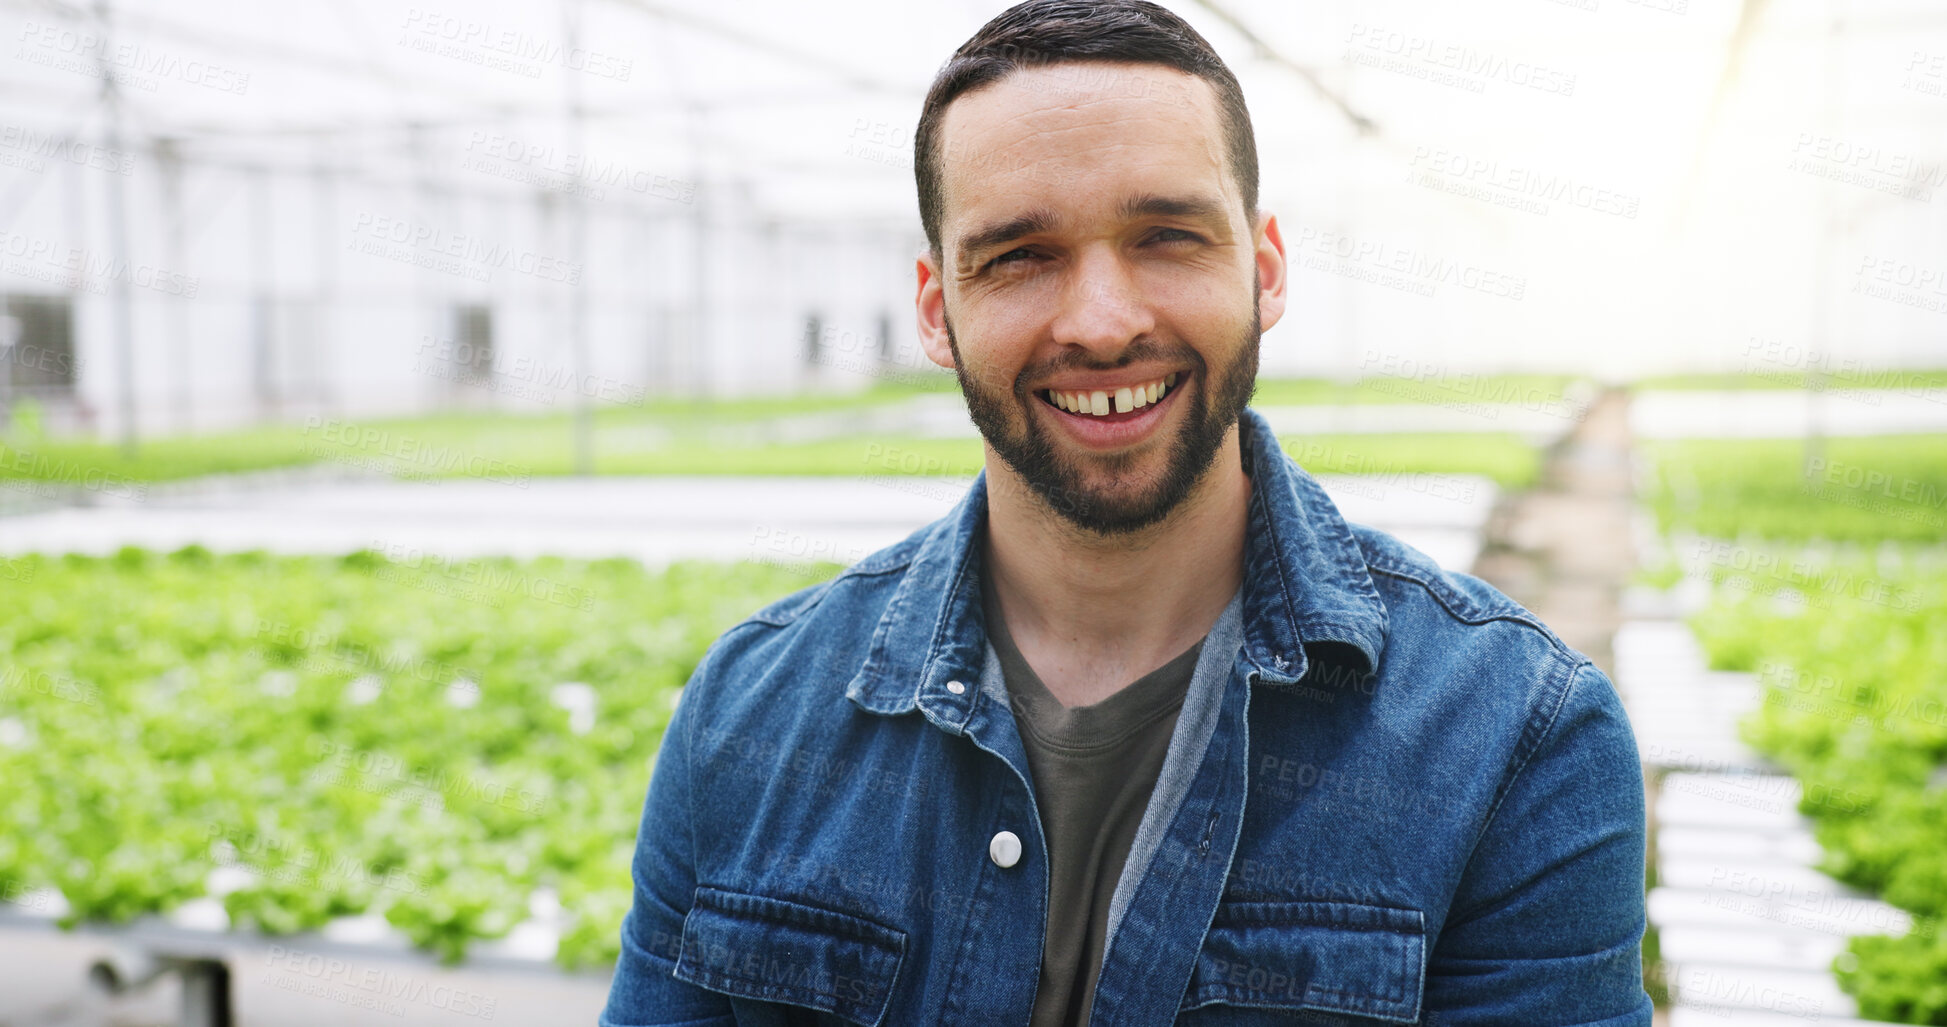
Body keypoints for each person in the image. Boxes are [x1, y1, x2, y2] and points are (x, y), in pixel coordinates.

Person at [601, 1, 1651, 1023]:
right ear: (937, 311)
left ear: (1265, 268)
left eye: (1167, 236)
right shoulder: (744, 717)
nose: (1103, 324)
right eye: (1019, 256)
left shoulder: (1517, 740)